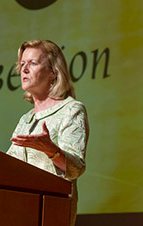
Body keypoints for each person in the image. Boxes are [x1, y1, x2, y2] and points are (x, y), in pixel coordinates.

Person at [7, 39, 89, 226]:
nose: (24, 69)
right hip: (18, 211)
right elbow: (9, 166)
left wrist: (51, 150)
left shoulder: (71, 110)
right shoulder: (26, 119)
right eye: (22, 64)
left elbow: (76, 168)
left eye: (33, 63)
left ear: (53, 72)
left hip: (51, 211)